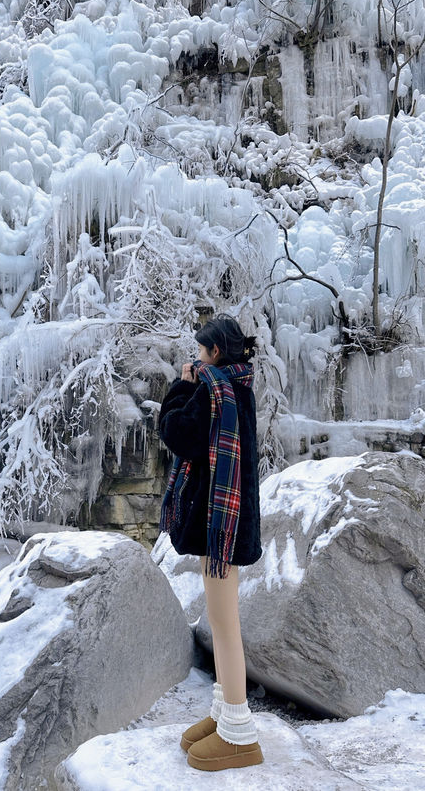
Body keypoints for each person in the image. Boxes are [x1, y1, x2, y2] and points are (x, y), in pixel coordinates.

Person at [157, 313, 263, 771]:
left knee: (223, 621)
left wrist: (180, 389)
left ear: (215, 352)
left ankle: (239, 734)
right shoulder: (235, 387)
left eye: (201, 351)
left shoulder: (216, 391)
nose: (196, 358)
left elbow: (177, 434)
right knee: (220, 619)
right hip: (229, 524)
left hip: (226, 529)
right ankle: (224, 713)